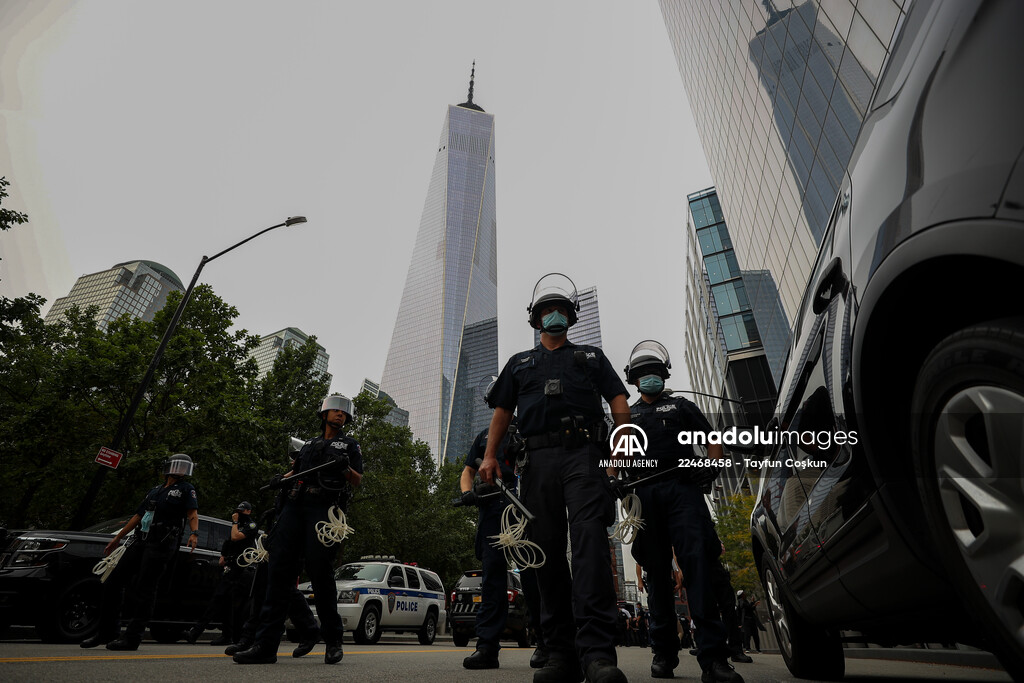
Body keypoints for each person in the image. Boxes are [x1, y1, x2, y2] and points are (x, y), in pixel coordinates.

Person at [479, 273, 631, 683]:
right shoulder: (518, 364)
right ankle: (559, 653)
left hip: (586, 456)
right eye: (546, 310)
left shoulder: (592, 357)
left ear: (571, 316)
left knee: (590, 546)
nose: (554, 315)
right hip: (537, 460)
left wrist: (621, 450)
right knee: (544, 554)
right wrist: (490, 456)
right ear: (535, 318)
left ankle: (597, 654)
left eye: (560, 309)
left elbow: (618, 398)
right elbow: (502, 411)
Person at [622, 340, 742, 683]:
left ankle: (714, 659)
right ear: (633, 379)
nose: (649, 378)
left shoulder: (681, 406)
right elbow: (616, 457)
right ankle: (663, 653)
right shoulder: (626, 415)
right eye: (643, 374)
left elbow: (711, 439)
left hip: (683, 491)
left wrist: (713, 466)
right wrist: (613, 480)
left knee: (698, 569)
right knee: (657, 575)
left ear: (664, 375)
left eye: (655, 373)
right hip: (644, 494)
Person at [233, 394, 363, 665]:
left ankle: (333, 641)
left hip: (323, 510)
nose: (340, 415)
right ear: (324, 414)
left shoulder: (350, 445)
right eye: (335, 411)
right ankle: (265, 646)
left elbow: (358, 480)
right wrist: (282, 479)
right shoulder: (310, 445)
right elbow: (297, 472)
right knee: (278, 573)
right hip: (294, 507)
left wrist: (345, 468)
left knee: (320, 573)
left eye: (344, 413)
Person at [460, 383, 549, 670]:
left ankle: (546, 643)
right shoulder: (484, 436)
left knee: (534, 574)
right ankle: (487, 647)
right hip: (491, 510)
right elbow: (468, 471)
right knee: (492, 579)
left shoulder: (529, 427)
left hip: (524, 508)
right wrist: (466, 493)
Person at [81, 454, 199, 651]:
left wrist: (194, 533)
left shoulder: (187, 489)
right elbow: (138, 515)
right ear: (168, 467)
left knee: (145, 589)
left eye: (183, 467)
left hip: (161, 544)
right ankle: (107, 632)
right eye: (176, 465)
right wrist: (118, 537)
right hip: (141, 540)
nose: (179, 469)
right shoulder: (155, 490)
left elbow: (192, 513)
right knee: (113, 581)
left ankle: (132, 637)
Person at [185, 501, 259, 645]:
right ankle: (227, 635)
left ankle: (195, 633)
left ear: (248, 512)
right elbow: (229, 542)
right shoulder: (238, 525)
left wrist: (234, 523)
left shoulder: (251, 526)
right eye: (238, 511)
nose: (239, 514)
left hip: (242, 569)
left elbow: (235, 537)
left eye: (242, 511)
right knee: (227, 603)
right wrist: (223, 555)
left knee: (220, 599)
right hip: (231, 566)